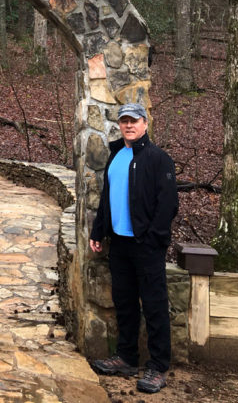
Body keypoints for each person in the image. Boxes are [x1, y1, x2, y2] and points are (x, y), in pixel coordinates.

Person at [88, 102, 178, 394]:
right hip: (119, 244)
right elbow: (107, 200)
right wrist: (98, 231)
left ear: (145, 124)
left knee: (153, 306)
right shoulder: (117, 156)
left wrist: (153, 238)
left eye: (134, 121)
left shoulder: (158, 159)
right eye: (124, 121)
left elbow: (168, 205)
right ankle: (126, 357)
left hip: (146, 246)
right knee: (124, 304)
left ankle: (158, 367)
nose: (129, 125)